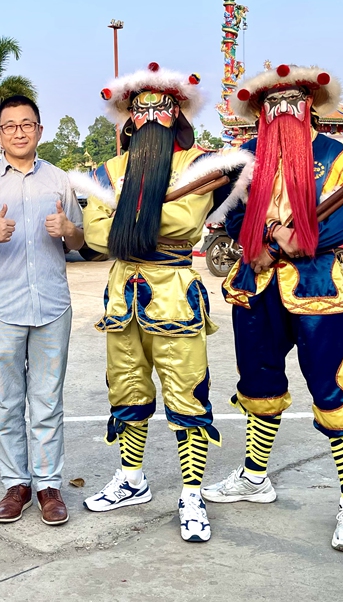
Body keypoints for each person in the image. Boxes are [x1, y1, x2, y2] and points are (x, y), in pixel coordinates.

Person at [200, 64, 343, 554]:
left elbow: (341, 221)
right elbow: (228, 215)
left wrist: (294, 241)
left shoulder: (340, 159)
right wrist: (262, 244)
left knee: (332, 390)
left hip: (315, 291)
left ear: (309, 105)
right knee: (258, 383)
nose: (282, 111)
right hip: (255, 285)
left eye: (292, 101)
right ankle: (255, 477)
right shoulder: (243, 159)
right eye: (272, 104)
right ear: (260, 112)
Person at [71, 63, 251, 543]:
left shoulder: (203, 166)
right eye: (141, 108)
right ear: (128, 118)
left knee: (185, 393)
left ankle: (191, 493)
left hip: (174, 291)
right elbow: (96, 236)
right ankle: (131, 478)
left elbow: (182, 223)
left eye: (162, 107)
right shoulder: (103, 171)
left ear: (178, 114)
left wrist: (128, 218)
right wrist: (138, 221)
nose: (151, 116)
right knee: (127, 388)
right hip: (121, 293)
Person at [0, 94, 84, 526]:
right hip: (2, 307)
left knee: (48, 401)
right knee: (8, 401)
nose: (18, 131)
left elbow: (78, 241)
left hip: (51, 305)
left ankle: (49, 485)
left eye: (26, 124)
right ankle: (16, 484)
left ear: (39, 130)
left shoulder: (60, 181)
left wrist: (69, 230)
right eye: (9, 125)